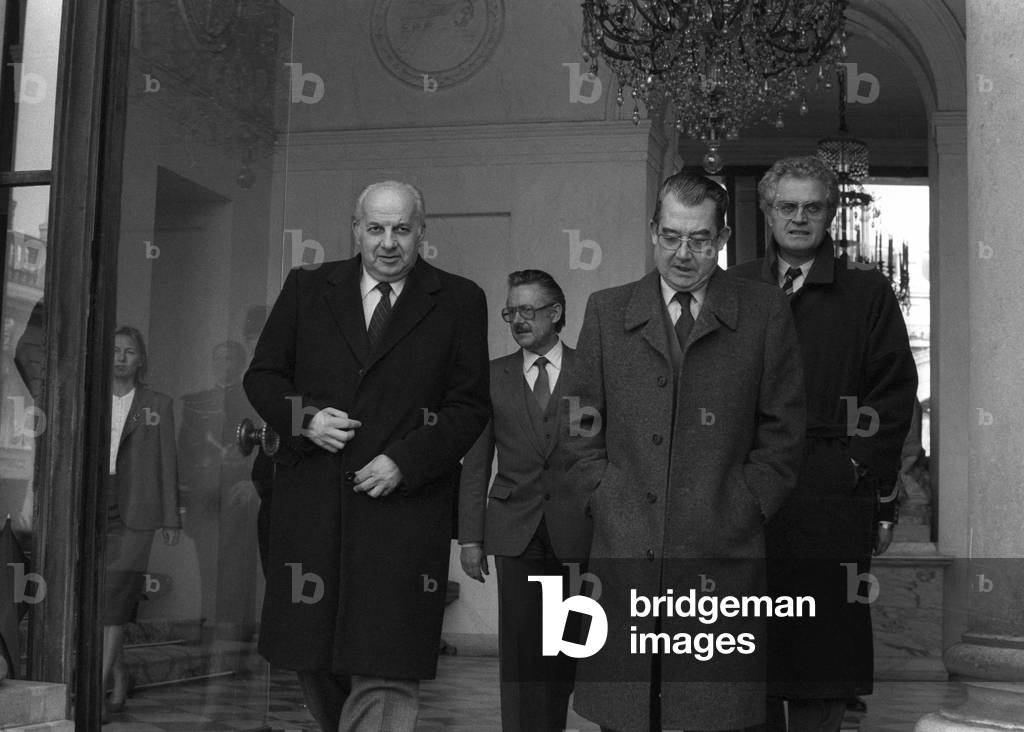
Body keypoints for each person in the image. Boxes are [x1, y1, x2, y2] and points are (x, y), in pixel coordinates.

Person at [562, 172, 806, 731]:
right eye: (671, 236)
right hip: (624, 546)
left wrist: (747, 505)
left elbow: (785, 430)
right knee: (625, 712)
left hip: (723, 546)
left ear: (721, 239)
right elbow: (577, 421)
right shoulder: (607, 309)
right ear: (653, 232)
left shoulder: (764, 312)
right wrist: (603, 496)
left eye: (699, 239)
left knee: (711, 713)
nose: (684, 252)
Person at [243, 180, 490, 732]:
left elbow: (468, 406)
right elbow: (261, 376)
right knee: (315, 657)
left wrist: (407, 459)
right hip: (313, 507)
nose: (387, 242)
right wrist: (305, 418)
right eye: (375, 228)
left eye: (401, 229)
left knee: (387, 659)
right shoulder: (308, 288)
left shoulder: (459, 299)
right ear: (355, 229)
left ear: (421, 232)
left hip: (402, 512)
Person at [730, 155, 917, 732]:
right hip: (744, 491)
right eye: (788, 206)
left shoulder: (867, 291)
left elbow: (894, 390)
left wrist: (858, 468)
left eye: (813, 207)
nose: (800, 218)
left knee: (823, 646)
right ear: (767, 212)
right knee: (745, 646)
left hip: (830, 492)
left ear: (830, 213)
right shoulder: (731, 287)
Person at [459, 269, 591, 732]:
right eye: (511, 311)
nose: (517, 320)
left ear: (555, 314)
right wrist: (470, 539)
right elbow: (476, 465)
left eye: (528, 310)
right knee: (521, 651)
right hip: (514, 529)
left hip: (580, 530)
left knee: (571, 646)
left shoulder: (591, 370)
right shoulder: (491, 376)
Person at [103, 326, 181, 721]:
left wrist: (171, 517)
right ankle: (119, 677)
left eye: (129, 351)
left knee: (114, 599)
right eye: (114, 350)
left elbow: (169, 461)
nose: (120, 357)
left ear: (140, 359)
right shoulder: (91, 397)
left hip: (138, 509)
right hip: (95, 503)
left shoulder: (157, 403)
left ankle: (94, 691)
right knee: (99, 595)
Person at [178, 340, 262, 640]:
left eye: (229, 358)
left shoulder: (253, 398)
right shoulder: (195, 401)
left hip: (238, 493)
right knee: (207, 561)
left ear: (240, 364)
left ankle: (232, 630)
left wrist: (253, 480)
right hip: (203, 493)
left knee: (236, 565)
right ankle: (210, 622)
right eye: (217, 357)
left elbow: (264, 443)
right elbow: (185, 451)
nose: (222, 363)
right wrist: (184, 497)